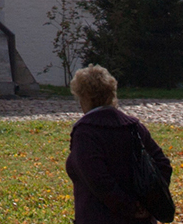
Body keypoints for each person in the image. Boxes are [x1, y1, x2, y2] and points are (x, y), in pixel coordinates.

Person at [64, 65, 172, 223]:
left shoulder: (86, 132)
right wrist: (149, 203)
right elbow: (162, 164)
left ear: (83, 97)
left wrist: (131, 208)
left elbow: (98, 180)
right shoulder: (133, 127)